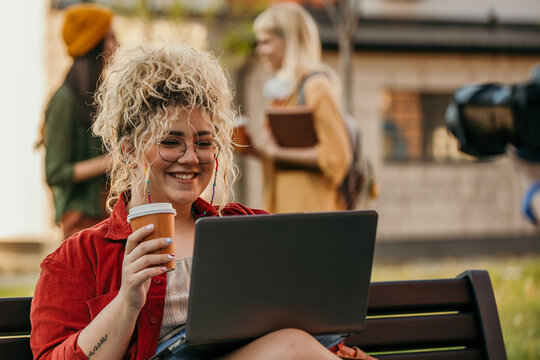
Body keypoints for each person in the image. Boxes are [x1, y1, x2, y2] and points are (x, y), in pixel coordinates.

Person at [30, 44, 375, 360]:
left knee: (292, 344)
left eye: (204, 143)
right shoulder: (77, 260)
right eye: (170, 141)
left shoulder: (251, 229)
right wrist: (127, 302)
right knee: (290, 346)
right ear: (129, 151)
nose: (191, 158)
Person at [252, 2, 352, 213]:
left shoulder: (317, 87)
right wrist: (254, 148)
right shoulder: (284, 93)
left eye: (266, 42)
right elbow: (281, 153)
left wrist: (276, 152)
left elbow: (336, 158)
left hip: (313, 213)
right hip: (286, 212)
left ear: (290, 42)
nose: (259, 50)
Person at [42, 3, 118, 239]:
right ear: (94, 43)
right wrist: (110, 161)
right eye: (111, 38)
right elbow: (54, 172)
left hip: (107, 213)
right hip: (81, 222)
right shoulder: (63, 101)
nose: (117, 46)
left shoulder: (101, 95)